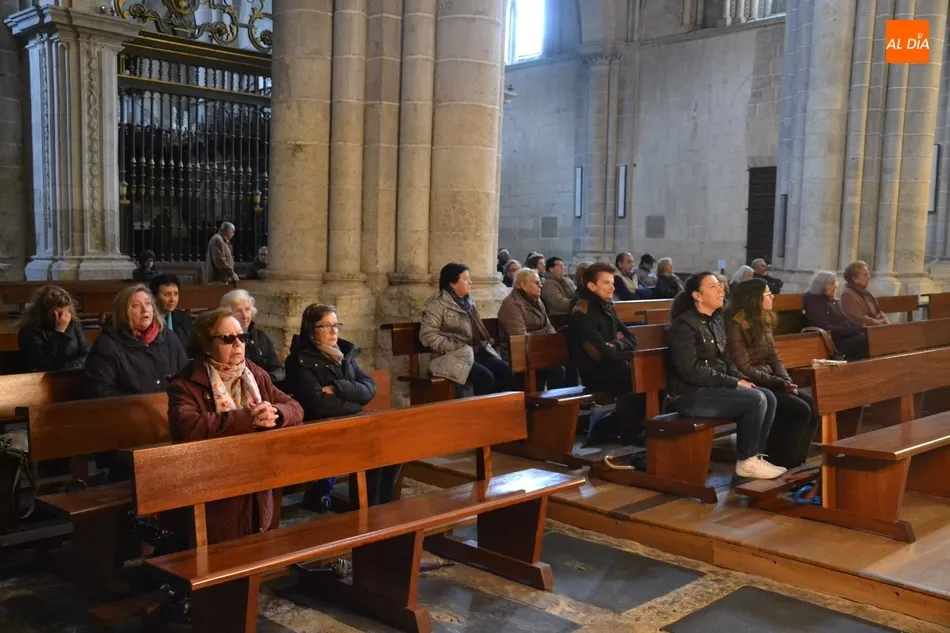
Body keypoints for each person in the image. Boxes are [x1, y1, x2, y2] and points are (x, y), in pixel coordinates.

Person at [167, 308, 303, 544]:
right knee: (225, 548)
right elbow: (189, 426)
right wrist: (246, 418)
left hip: (256, 476)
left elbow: (295, 407)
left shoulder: (254, 373)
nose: (238, 344)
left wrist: (277, 414)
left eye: (242, 337)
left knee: (256, 545)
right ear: (206, 345)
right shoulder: (187, 383)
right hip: (211, 482)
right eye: (227, 339)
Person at [666, 272, 784, 479]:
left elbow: (725, 359)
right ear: (697, 295)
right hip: (692, 396)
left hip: (713, 388)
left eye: (720, 285)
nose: (721, 290)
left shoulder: (714, 321)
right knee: (755, 400)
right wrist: (733, 382)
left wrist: (741, 379)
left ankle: (755, 456)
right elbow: (691, 371)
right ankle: (746, 460)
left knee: (768, 396)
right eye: (713, 287)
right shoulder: (683, 326)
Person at [283, 304, 398, 507]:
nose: (334, 330)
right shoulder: (298, 360)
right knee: (374, 449)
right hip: (320, 430)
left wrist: (337, 387)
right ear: (311, 330)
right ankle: (367, 510)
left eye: (336, 325)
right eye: (326, 326)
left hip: (349, 424)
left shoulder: (343, 355)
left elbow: (370, 388)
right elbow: (317, 404)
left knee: (394, 446)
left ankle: (380, 507)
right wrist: (355, 402)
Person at [725, 279, 818, 469]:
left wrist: (786, 380)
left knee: (813, 406)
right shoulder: (735, 324)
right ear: (754, 299)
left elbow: (775, 358)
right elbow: (744, 367)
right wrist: (778, 383)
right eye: (767, 294)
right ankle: (781, 461)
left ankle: (799, 462)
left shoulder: (764, 320)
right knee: (799, 409)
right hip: (751, 383)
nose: (772, 296)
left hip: (770, 381)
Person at [568, 262, 640, 442]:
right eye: (606, 283)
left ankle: (618, 426)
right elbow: (602, 352)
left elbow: (632, 339)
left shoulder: (607, 305)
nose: (612, 287)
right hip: (595, 373)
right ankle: (628, 431)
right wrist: (616, 346)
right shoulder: (581, 312)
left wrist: (614, 345)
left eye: (613, 282)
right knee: (635, 376)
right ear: (592, 286)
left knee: (647, 375)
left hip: (615, 366)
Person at [420, 263, 511, 395]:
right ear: (452, 283)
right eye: (465, 278)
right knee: (485, 378)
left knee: (505, 370)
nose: (470, 282)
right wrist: (454, 346)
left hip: (473, 354)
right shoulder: (436, 304)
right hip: (450, 357)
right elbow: (427, 335)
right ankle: (479, 413)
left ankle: (492, 411)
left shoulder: (469, 302)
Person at [84, 284, 188, 398]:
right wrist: (141, 404)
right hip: (128, 412)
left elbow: (186, 377)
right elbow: (102, 392)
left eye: (148, 304)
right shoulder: (106, 345)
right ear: (123, 312)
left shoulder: (169, 337)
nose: (145, 309)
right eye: (136, 306)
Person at [498, 268, 564, 389]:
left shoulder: (537, 300)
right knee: (556, 369)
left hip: (537, 349)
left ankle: (555, 405)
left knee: (562, 364)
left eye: (540, 282)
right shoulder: (511, 304)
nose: (540, 285)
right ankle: (544, 404)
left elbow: (548, 326)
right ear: (523, 284)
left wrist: (551, 339)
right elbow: (520, 336)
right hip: (518, 354)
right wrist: (544, 336)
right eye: (536, 282)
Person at [17, 285, 90, 372]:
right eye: (57, 315)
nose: (62, 319)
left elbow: (87, 353)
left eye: (65, 314)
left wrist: (71, 367)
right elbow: (44, 363)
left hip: (74, 373)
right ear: (43, 312)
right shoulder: (29, 331)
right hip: (45, 379)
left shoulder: (73, 324)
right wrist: (59, 331)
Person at [802, 271, 869, 360]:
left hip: (844, 336)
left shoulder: (832, 300)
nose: (836, 286)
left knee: (872, 336)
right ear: (821, 285)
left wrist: (860, 328)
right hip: (831, 341)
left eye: (835, 283)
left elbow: (845, 320)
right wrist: (854, 330)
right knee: (868, 340)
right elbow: (827, 328)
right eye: (831, 283)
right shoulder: (814, 302)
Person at [221, 289, 283, 383]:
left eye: (247, 309)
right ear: (227, 314)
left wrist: (265, 382)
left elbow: (278, 370)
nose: (245, 316)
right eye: (238, 311)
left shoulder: (261, 337)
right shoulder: (224, 340)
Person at [149, 274, 192, 350]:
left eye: (176, 294)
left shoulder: (183, 318)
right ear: (154, 297)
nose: (172, 300)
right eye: (167, 294)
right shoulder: (147, 321)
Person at [840, 261, 889, 326]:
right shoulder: (847, 295)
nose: (869, 277)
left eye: (868, 274)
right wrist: (878, 324)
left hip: (876, 328)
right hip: (863, 331)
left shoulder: (865, 292)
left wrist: (884, 319)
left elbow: (878, 311)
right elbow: (859, 318)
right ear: (854, 278)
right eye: (865, 275)